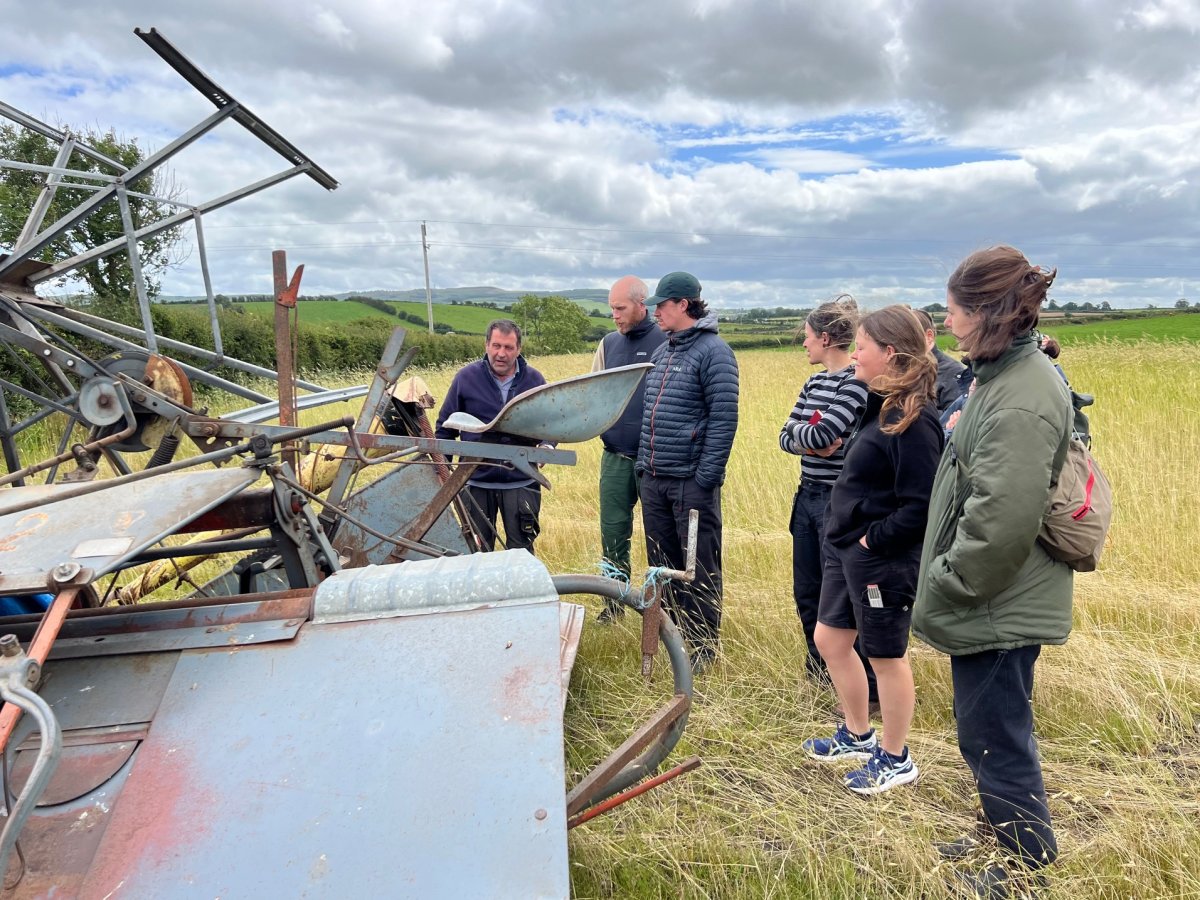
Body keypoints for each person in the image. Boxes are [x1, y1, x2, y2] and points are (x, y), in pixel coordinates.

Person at [913, 246, 1073, 898]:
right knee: (990, 731)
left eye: (953, 309)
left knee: (995, 738)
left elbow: (1000, 525)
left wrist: (949, 580)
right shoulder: (1005, 376)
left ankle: (1023, 868)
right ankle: (1003, 837)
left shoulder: (1018, 397)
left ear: (985, 312)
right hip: (998, 598)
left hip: (997, 600)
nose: (947, 322)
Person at [802, 306, 942, 795]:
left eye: (861, 346)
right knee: (831, 640)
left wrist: (869, 541)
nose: (853, 354)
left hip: (880, 559)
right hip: (847, 551)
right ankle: (858, 735)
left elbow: (920, 507)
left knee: (886, 656)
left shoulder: (915, 422)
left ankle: (896, 757)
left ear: (889, 352)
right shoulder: (880, 405)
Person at [636, 272, 739, 675]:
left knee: (697, 566)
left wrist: (704, 479)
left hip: (690, 485)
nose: (655, 311)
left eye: (662, 304)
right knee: (661, 564)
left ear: (684, 305)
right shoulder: (664, 353)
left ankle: (702, 650)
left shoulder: (715, 353)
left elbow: (723, 420)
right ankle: (673, 639)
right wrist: (644, 467)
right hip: (655, 480)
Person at [777, 296, 868, 684]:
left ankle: (853, 680)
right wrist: (812, 439)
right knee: (808, 591)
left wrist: (812, 436)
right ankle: (818, 673)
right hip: (807, 495)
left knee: (839, 595)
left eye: (809, 336)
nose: (804, 344)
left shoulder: (857, 382)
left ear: (826, 339)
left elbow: (824, 433)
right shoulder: (814, 382)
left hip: (837, 500)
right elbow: (785, 436)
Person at [435, 319, 548, 553]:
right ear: (486, 345)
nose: (501, 353)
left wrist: (548, 445)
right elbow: (445, 428)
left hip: (521, 482)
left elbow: (552, 424)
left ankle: (520, 591)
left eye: (508, 347)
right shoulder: (466, 378)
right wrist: (442, 469)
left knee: (522, 554)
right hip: (475, 482)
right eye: (496, 346)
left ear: (519, 349)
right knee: (477, 553)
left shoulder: (534, 381)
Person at [591, 275, 666, 621]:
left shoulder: (666, 340)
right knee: (613, 534)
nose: (615, 316)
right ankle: (614, 604)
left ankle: (659, 611)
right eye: (611, 310)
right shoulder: (608, 344)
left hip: (655, 461)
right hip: (615, 458)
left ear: (641, 305)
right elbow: (594, 396)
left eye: (620, 308)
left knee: (659, 538)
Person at [914, 307, 966, 411]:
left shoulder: (953, 372)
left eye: (907, 337)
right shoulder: (898, 369)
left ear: (929, 336)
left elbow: (954, 419)